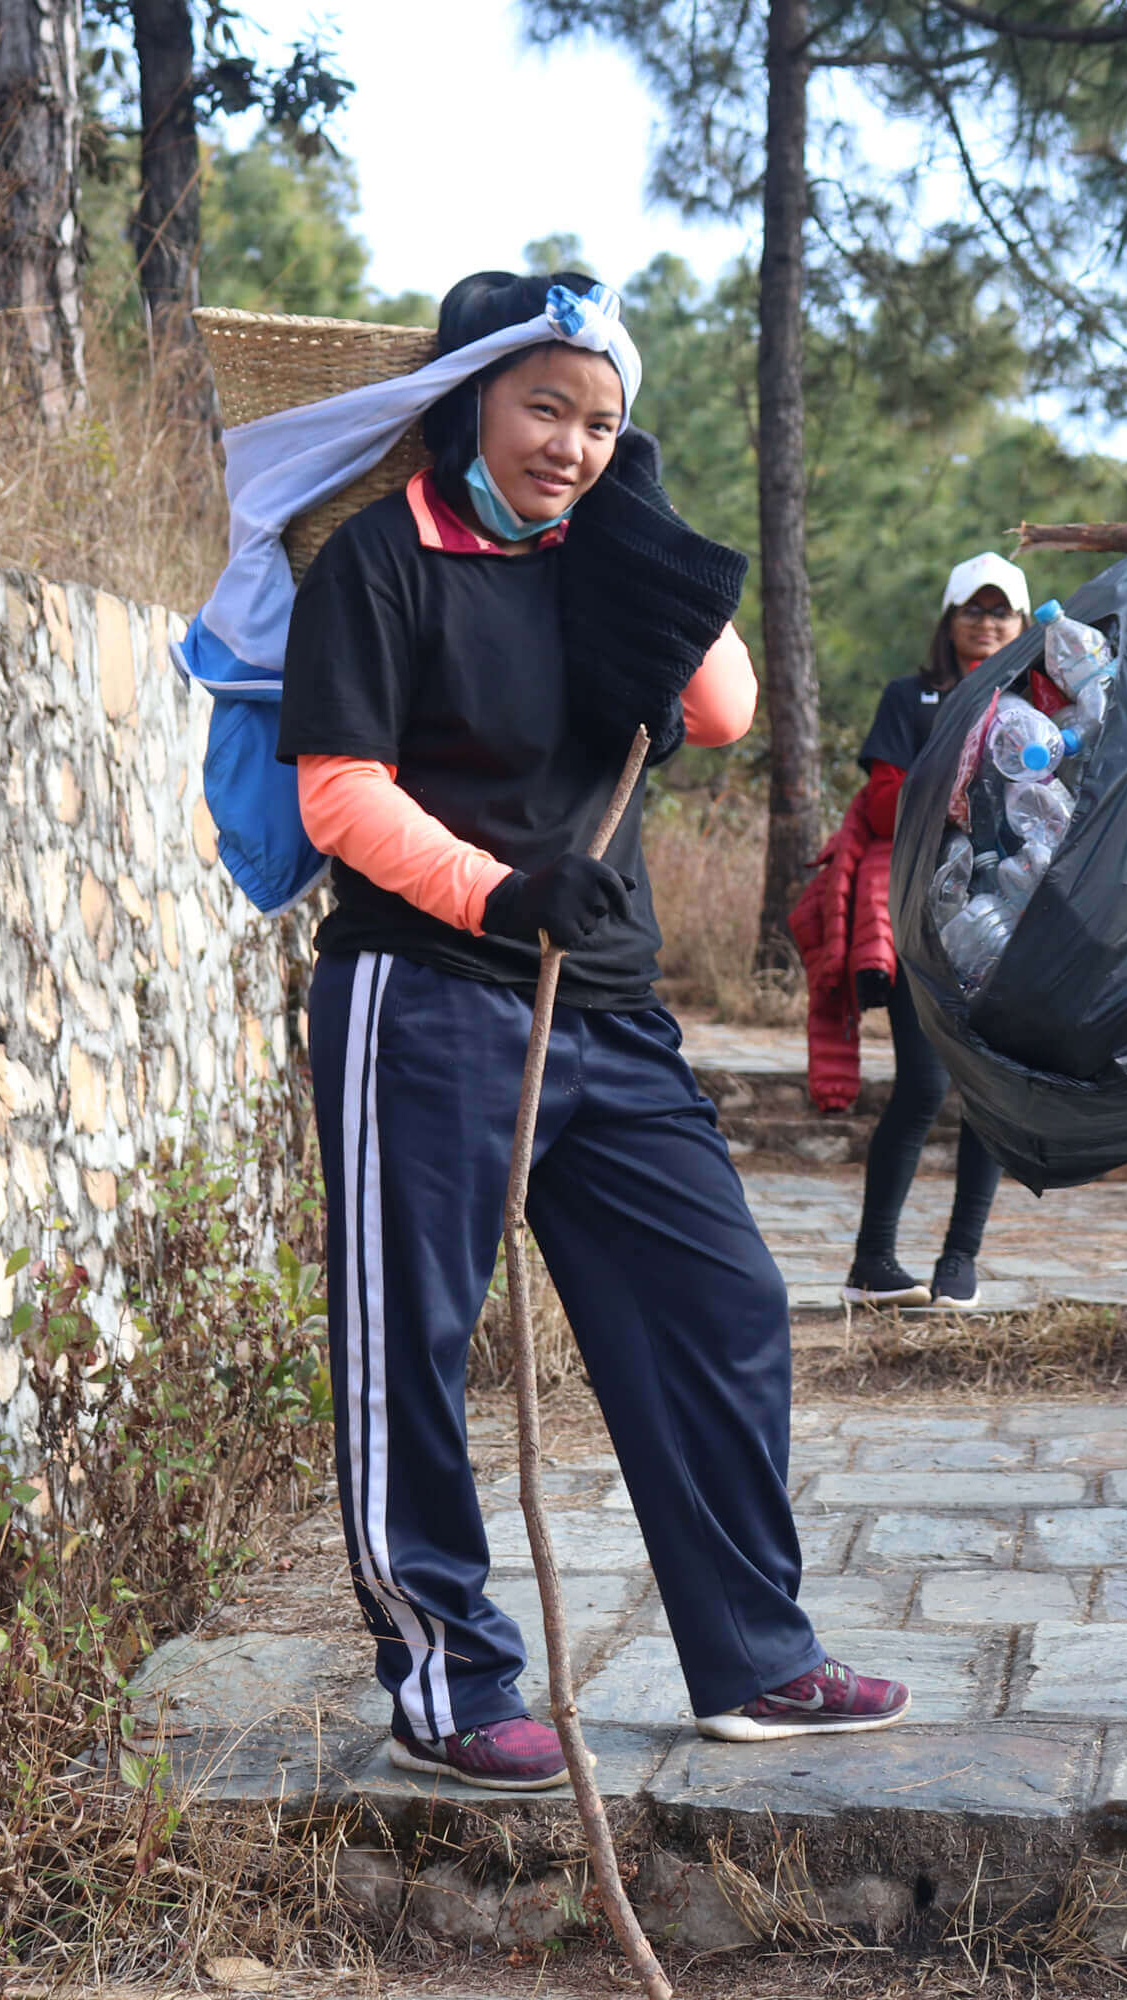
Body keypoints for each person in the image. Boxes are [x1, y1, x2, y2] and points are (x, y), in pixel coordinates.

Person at [273, 269, 910, 1789]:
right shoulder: (383, 559)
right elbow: (339, 793)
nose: (570, 441)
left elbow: (722, 710)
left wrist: (647, 528)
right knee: (411, 1349)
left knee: (725, 1305)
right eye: (545, 406)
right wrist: (497, 897)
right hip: (422, 997)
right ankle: (447, 1676)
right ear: (471, 400)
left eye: (604, 419)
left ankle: (753, 1659)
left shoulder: (595, 551)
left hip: (603, 1009)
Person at [809, 555, 1026, 1309]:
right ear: (949, 616)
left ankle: (958, 1261)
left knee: (991, 1090)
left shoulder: (1037, 703)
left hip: (1012, 918)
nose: (988, 622)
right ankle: (873, 1262)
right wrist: (958, 798)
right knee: (925, 1084)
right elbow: (879, 802)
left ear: (1024, 626)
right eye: (975, 608)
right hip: (922, 918)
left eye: (1003, 612)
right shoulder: (911, 696)